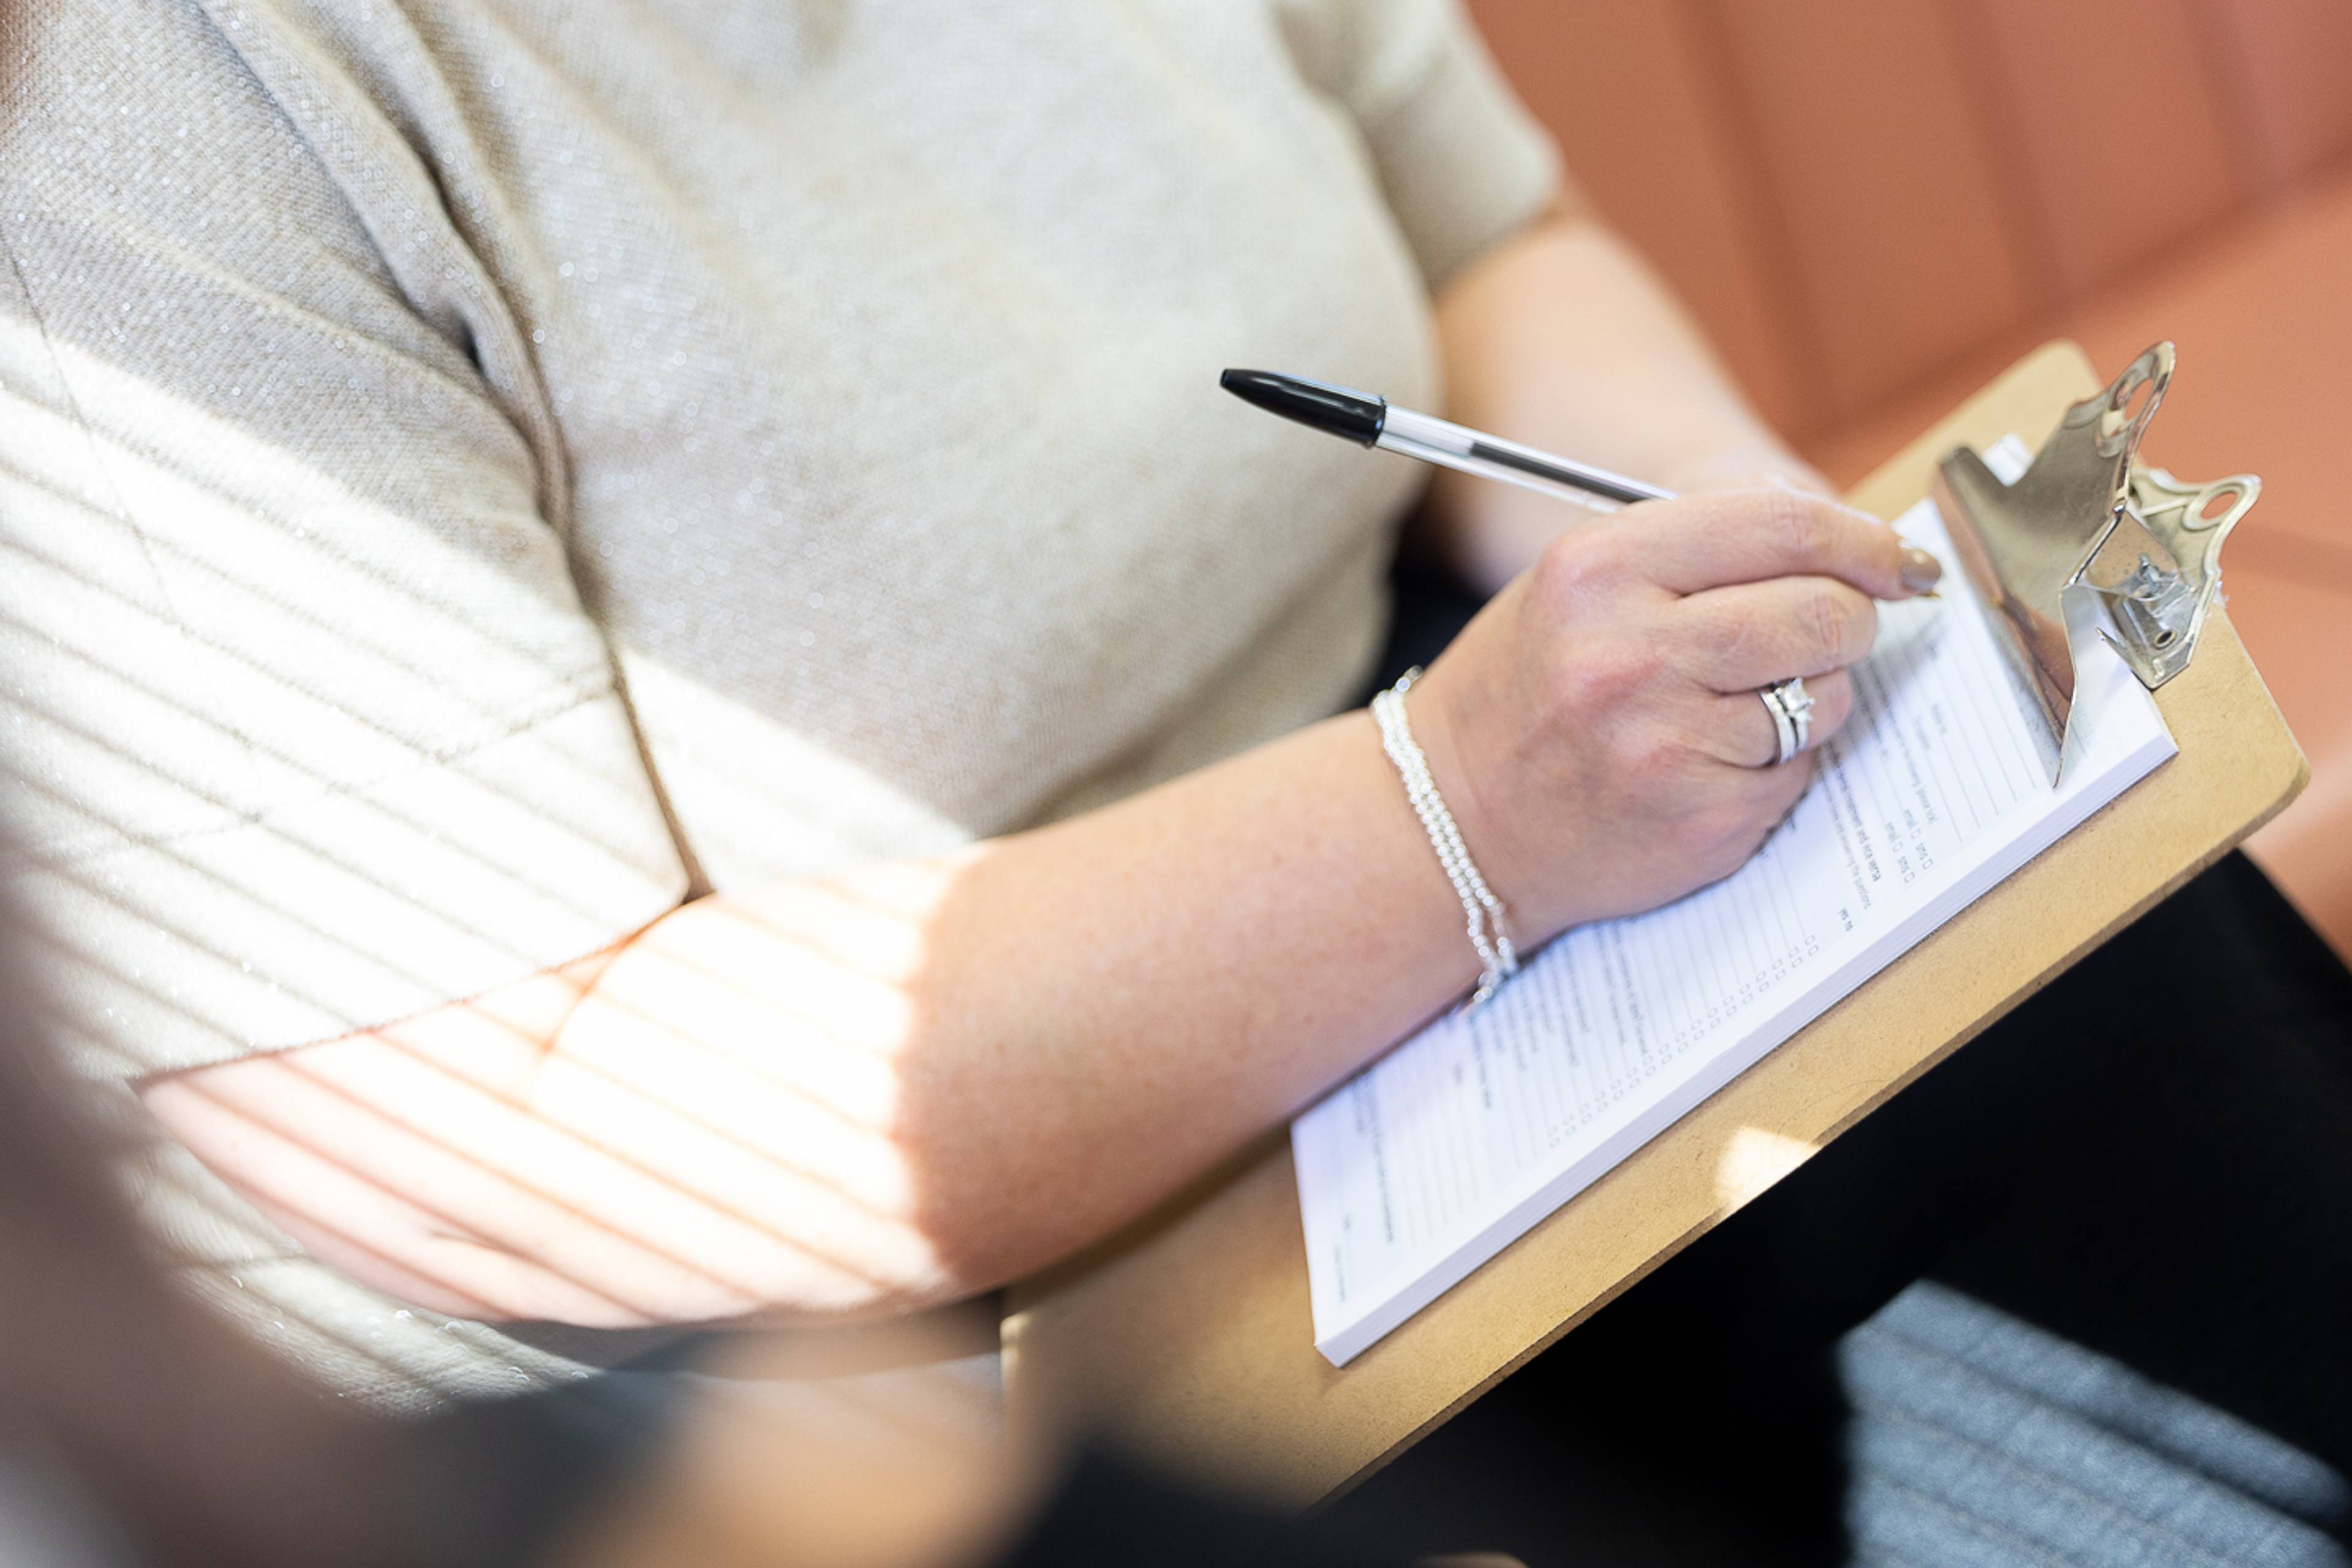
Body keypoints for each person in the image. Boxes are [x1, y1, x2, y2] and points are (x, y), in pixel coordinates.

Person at [2, 6, 2348, 1558]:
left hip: (1495, 840)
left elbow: (1482, 232)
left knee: (2172, 1148)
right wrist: (1457, 816)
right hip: (890, 1320)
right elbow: (515, 1118)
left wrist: (1729, 575)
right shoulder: (143, 129)